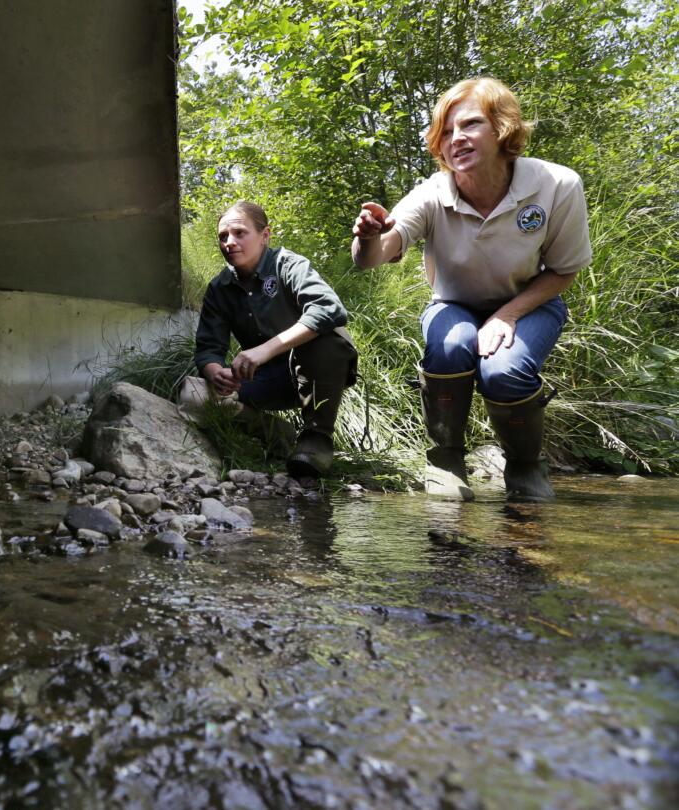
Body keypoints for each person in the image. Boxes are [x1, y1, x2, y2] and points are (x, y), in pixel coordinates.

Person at [351, 77, 591, 501]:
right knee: (452, 343)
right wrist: (369, 235)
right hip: (453, 304)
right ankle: (445, 459)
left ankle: (525, 467)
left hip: (531, 303)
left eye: (470, 125)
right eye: (445, 131)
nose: (455, 138)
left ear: (502, 128)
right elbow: (373, 257)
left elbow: (564, 270)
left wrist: (507, 314)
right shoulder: (431, 194)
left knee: (504, 370)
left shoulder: (558, 185)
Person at [194, 201, 358, 478]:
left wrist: (263, 351)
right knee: (193, 393)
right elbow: (208, 349)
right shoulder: (219, 288)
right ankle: (275, 434)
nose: (229, 243)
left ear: (265, 235)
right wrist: (217, 373)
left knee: (327, 339)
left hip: (315, 373)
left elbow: (329, 309)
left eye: (239, 233)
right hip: (262, 380)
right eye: (223, 237)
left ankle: (316, 441)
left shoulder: (288, 265)